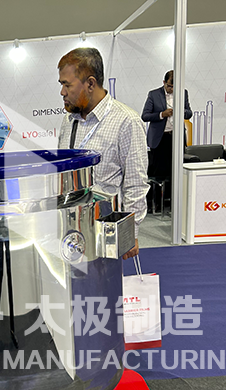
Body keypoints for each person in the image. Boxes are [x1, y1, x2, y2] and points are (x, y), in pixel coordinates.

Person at [57, 48, 148, 260]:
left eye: (67, 85)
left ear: (90, 84)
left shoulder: (126, 121)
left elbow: (135, 183)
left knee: (101, 281)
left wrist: (131, 233)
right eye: (61, 84)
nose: (62, 92)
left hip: (104, 230)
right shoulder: (69, 120)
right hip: (68, 231)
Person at [141, 70, 192, 210]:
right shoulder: (153, 94)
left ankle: (173, 202)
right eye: (169, 86)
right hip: (160, 138)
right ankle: (156, 203)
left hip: (176, 138)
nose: (172, 89)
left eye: (174, 87)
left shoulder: (183, 93)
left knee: (176, 171)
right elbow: (145, 116)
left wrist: (181, 111)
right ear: (164, 82)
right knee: (159, 172)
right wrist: (161, 114)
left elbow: (189, 113)